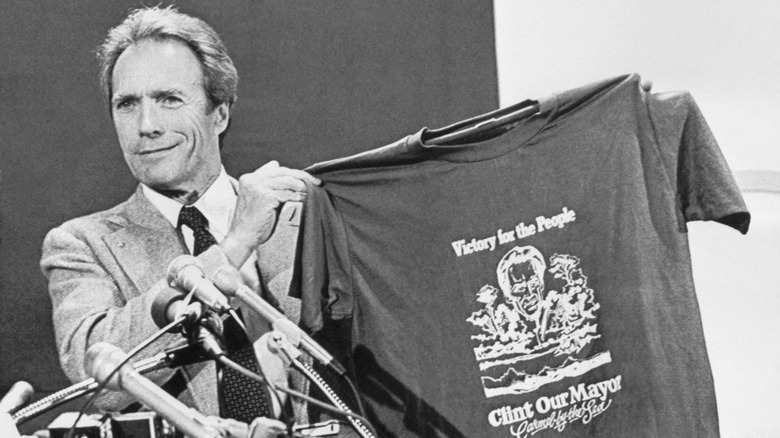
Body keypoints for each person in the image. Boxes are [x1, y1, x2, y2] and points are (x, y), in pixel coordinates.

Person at [40, 5, 317, 426]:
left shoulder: (303, 216)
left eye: (169, 99)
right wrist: (235, 244)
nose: (146, 125)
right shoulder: (81, 244)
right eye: (127, 104)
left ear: (219, 112)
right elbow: (98, 377)